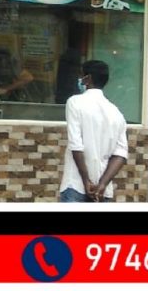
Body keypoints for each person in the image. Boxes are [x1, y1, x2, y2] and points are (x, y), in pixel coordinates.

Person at [59, 60, 129, 202]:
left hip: (76, 185)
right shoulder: (116, 113)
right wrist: (102, 184)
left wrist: (86, 181)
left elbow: (76, 145)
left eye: (81, 75)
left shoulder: (75, 102)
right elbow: (121, 154)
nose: (79, 79)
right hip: (102, 192)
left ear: (88, 79)